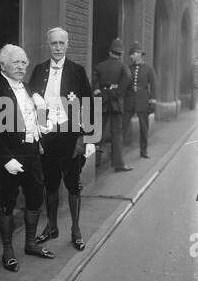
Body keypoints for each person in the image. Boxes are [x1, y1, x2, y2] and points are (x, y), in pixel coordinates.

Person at [0, 44, 54, 272]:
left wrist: (44, 119)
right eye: (16, 62)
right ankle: (8, 251)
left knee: (35, 196)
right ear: (3, 65)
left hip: (32, 154)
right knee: (7, 203)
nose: (21, 66)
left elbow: (37, 120)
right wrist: (4, 159)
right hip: (9, 158)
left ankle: (30, 243)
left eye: (24, 62)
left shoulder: (28, 88)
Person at [29, 27, 96, 251]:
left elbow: (88, 106)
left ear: (67, 45)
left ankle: (75, 229)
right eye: (53, 44)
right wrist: (37, 135)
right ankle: (52, 226)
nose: (57, 48)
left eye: (61, 44)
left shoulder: (77, 71)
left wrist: (83, 140)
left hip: (71, 138)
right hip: (47, 137)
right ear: (47, 45)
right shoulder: (39, 71)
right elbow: (32, 103)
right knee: (50, 184)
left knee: (73, 185)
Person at [93, 38, 133, 172]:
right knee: (117, 134)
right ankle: (119, 164)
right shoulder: (123, 67)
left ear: (110, 52)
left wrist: (101, 94)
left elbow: (93, 83)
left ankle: (94, 162)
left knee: (97, 132)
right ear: (120, 54)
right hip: (116, 102)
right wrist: (116, 93)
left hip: (102, 101)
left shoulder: (99, 66)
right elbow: (127, 78)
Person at [122, 41, 157, 159]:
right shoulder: (128, 68)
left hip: (143, 101)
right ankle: (116, 152)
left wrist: (153, 101)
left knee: (144, 128)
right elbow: (125, 85)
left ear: (139, 54)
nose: (131, 56)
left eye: (133, 54)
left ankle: (144, 150)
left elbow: (154, 85)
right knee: (123, 126)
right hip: (130, 101)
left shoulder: (148, 69)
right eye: (131, 54)